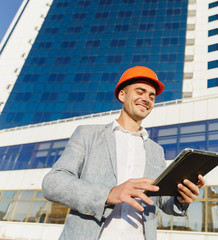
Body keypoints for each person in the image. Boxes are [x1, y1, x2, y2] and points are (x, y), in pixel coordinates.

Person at [42, 66, 205, 240]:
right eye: (140, 92)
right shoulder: (87, 134)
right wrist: (108, 194)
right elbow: (53, 183)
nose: (146, 99)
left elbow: (161, 199)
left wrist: (181, 198)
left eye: (152, 96)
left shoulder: (156, 151)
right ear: (122, 95)